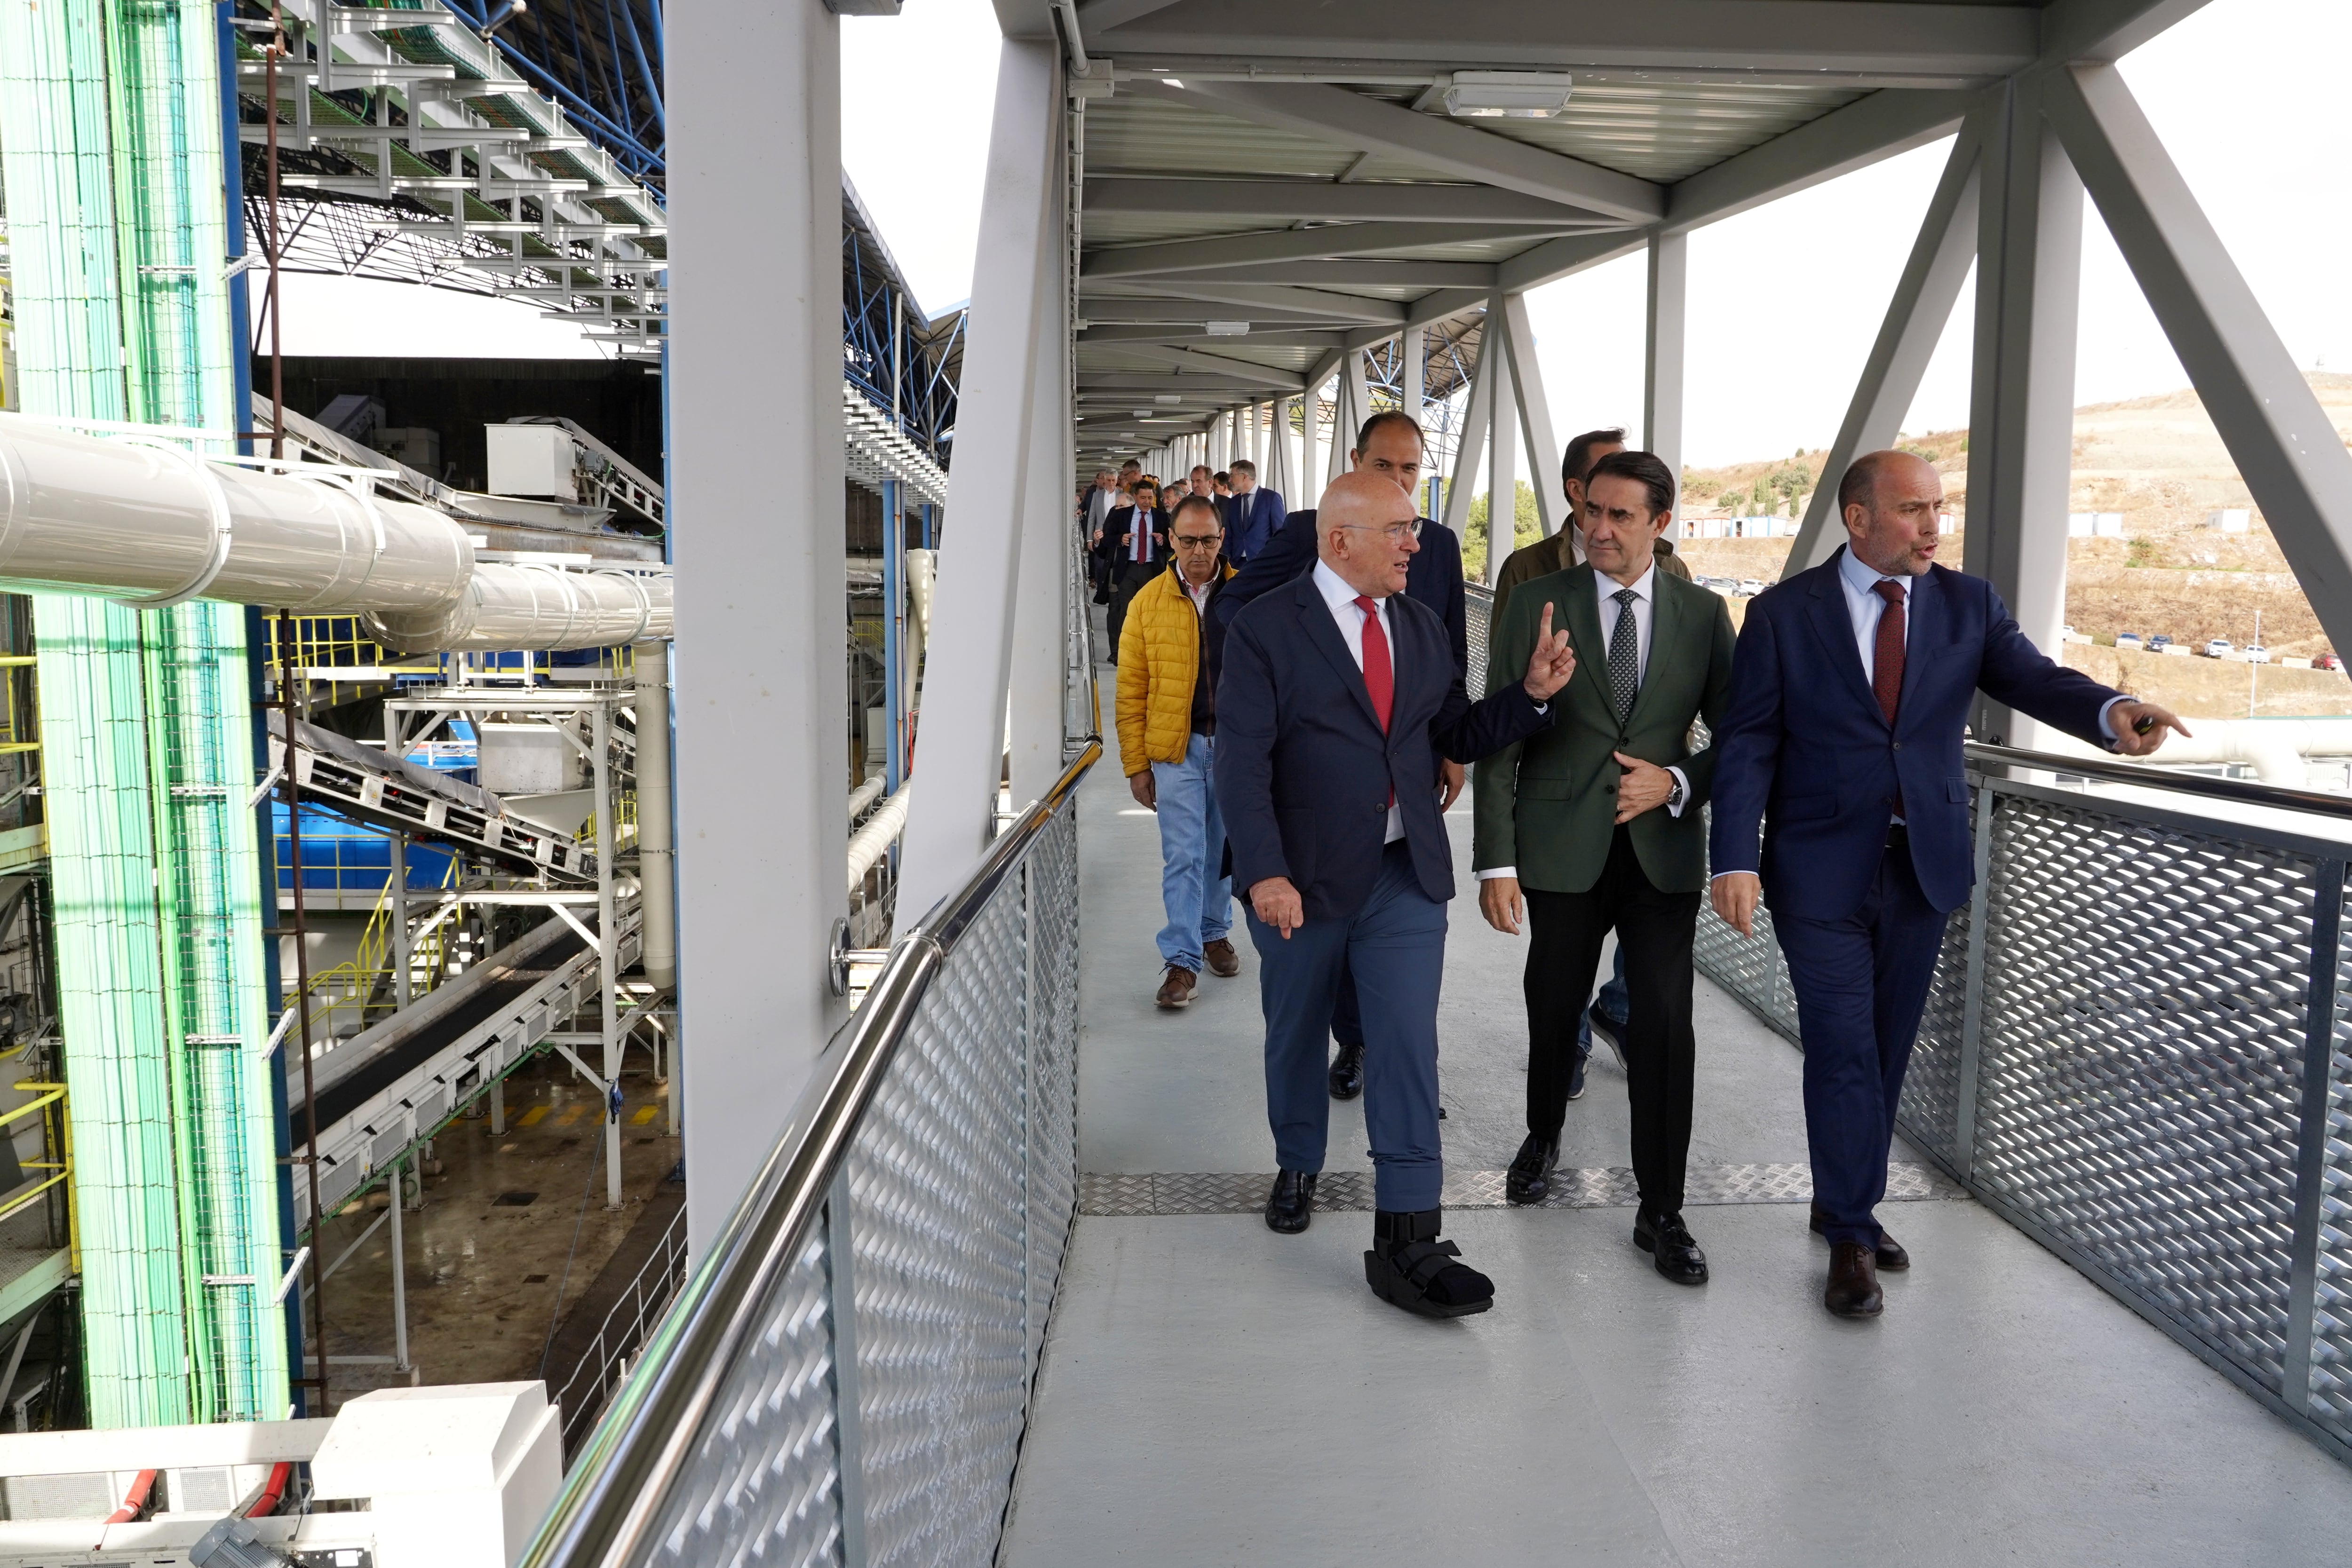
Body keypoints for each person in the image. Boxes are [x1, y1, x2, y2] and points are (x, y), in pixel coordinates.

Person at [1708, 450, 2188, 1319]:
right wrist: (1733, 853)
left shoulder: (1968, 604)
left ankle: (1839, 1194)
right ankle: (1852, 1230)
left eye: (1938, 507)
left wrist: (2112, 714)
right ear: (1858, 518)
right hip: (1816, 868)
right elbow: (1748, 741)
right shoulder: (1783, 614)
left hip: (1921, 862)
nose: (1933, 525)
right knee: (1844, 1044)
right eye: (1911, 509)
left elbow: (2036, 678)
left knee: (1887, 1046)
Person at [1216, 471, 1577, 1318]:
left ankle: (1409, 1232)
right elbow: (1241, 762)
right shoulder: (1265, 629)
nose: (1416, 544)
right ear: (1339, 541)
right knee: (1296, 1028)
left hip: (1402, 870)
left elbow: (1449, 731)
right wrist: (1263, 870)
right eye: (1399, 530)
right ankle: (1299, 1160)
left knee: (1407, 1039)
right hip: (1299, 877)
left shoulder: (1417, 625)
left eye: (1414, 529)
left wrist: (1527, 698)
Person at [1473, 451, 1736, 1284]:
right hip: (1557, 844)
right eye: (1592, 511)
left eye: (1622, 516)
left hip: (1661, 850)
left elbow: (1742, 743)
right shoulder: (1531, 603)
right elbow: (1496, 736)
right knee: (1552, 1003)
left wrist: (1681, 780)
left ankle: (1662, 1209)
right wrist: (1497, 860)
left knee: (1665, 1023)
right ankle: (1543, 1130)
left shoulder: (1702, 614)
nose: (1599, 529)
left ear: (1663, 524)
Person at [1213, 411, 1468, 1101]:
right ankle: (1334, 1081)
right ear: (1354, 462)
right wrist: (1289, 668)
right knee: (1311, 978)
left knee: (1392, 955)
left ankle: (1386, 1068)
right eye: (1383, 467)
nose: (1397, 482)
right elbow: (1232, 608)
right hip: (1313, 807)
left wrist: (1451, 742)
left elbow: (1447, 654)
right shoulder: (1307, 532)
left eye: (1410, 470)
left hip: (1402, 800)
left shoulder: (1434, 545)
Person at [1117, 494, 1242, 1010]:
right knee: (1184, 854)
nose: (1198, 551)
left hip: (1237, 748)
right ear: (1170, 540)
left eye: (1208, 540)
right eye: (1187, 540)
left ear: (1221, 539)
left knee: (1221, 852)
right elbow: (1130, 688)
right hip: (1175, 750)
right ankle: (1182, 959)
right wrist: (1135, 765)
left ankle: (1214, 931)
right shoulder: (1147, 602)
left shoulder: (1247, 595)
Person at [1492, 428, 1692, 625]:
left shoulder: (1673, 568)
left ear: (1660, 523)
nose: (1621, 473)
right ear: (1576, 489)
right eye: (1606, 467)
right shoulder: (1525, 568)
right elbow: (1506, 654)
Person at [1103, 479, 1169, 657]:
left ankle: (1148, 650)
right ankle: (1123, 651)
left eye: (1150, 498)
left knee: (1151, 611)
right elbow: (1107, 538)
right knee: (1127, 610)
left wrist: (1163, 540)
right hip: (1128, 569)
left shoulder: (1162, 517)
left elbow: (1174, 542)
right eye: (1143, 498)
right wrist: (1120, 539)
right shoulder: (1121, 515)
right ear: (1135, 497)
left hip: (1152, 570)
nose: (1147, 502)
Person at [1222, 457, 1286, 563]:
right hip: (1237, 563)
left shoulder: (1271, 498)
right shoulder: (1233, 502)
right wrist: (1229, 559)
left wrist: (1274, 561)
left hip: (1263, 563)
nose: (1230, 480)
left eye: (1232, 476)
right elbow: (1228, 535)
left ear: (1244, 477)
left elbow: (1279, 534)